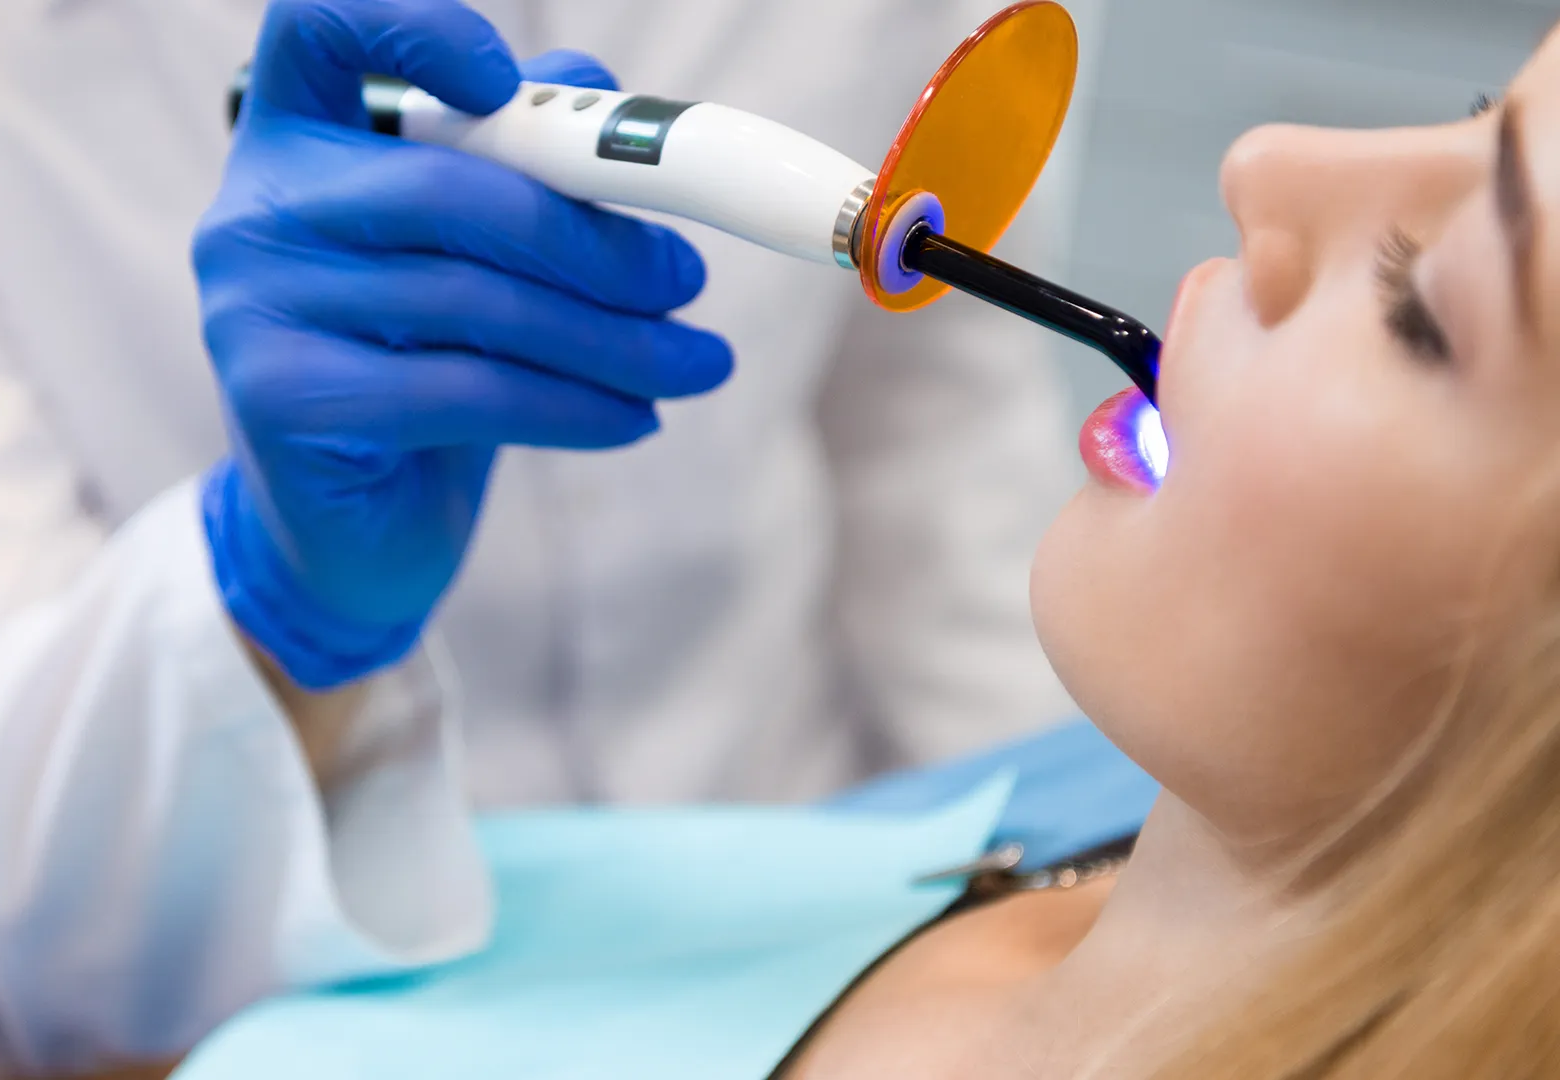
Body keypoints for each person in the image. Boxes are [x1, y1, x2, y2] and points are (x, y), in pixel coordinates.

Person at [0, 0, 1077, 1072]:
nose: (1267, 181)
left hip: (837, 896)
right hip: (247, 1011)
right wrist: (270, 605)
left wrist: (1073, 900)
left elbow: (941, 483)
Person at [145, 20, 1560, 1077]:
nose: (1268, 167)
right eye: (1476, 111)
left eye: (1425, 304)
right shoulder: (1039, 818)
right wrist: (286, 625)